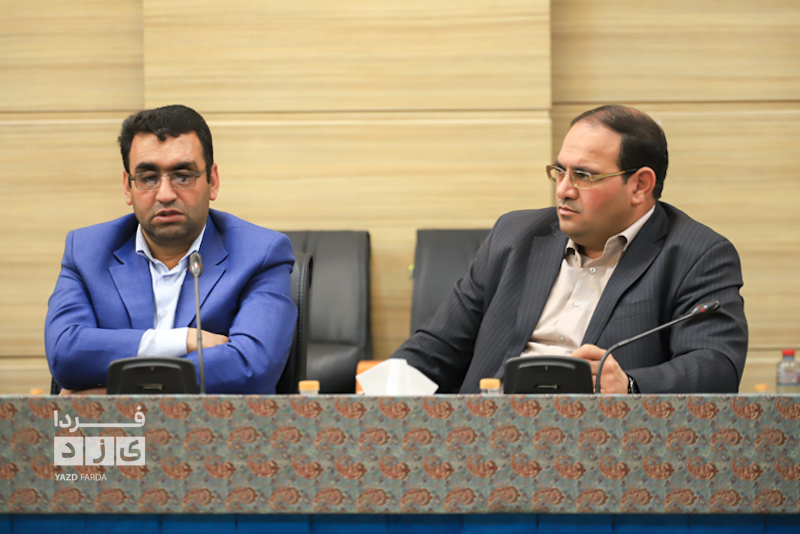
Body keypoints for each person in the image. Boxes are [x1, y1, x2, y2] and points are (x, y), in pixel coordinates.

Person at [392, 105, 748, 394]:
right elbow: (436, 349)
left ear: (640, 185)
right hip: (485, 434)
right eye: (559, 172)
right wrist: (379, 398)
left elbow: (715, 366)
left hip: (599, 443)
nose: (563, 190)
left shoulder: (696, 255)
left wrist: (629, 385)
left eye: (583, 176)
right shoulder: (514, 236)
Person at [45, 105, 297, 394]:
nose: (165, 194)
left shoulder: (260, 253)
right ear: (128, 187)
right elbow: (64, 354)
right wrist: (183, 340)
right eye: (148, 178)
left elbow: (252, 366)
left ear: (212, 181)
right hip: (120, 426)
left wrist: (116, 391)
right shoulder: (87, 252)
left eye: (183, 175)